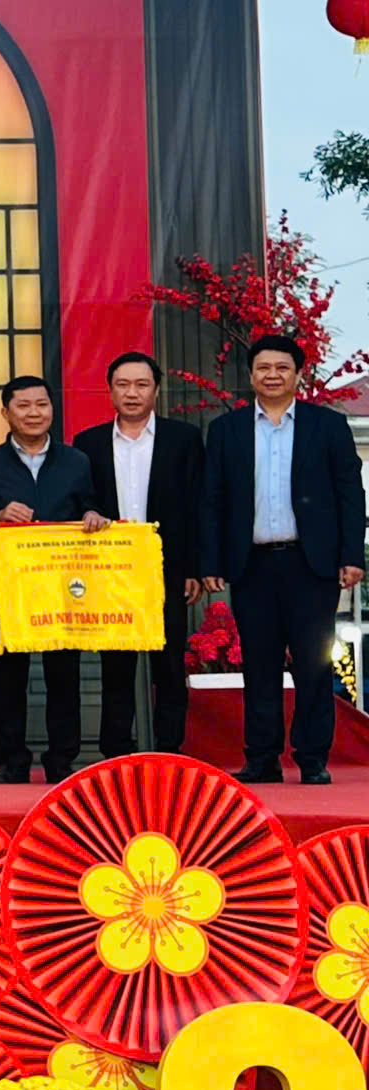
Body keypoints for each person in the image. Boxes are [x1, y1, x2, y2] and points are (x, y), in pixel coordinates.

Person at [200, 333, 367, 786]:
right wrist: (211, 561)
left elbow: (350, 495)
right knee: (259, 665)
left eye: (282, 368)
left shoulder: (327, 426)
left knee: (314, 664)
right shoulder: (227, 430)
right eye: (263, 368)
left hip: (311, 564)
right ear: (251, 375)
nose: (272, 375)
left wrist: (352, 555)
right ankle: (262, 757)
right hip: (252, 564)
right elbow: (212, 500)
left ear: (297, 375)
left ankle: (312, 757)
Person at [0, 376, 111, 784]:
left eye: (42, 405)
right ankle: (13, 762)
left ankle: (61, 763)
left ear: (52, 409)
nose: (34, 413)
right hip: (9, 586)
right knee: (8, 680)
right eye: (24, 406)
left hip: (64, 587)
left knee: (63, 678)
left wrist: (93, 516)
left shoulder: (77, 461)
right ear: (6, 413)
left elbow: (92, 507)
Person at [74, 352, 206, 756]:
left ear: (156, 390)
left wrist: (194, 568)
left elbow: (198, 506)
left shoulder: (183, 439)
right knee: (116, 667)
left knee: (169, 665)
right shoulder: (88, 443)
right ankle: (114, 753)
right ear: (110, 391)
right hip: (110, 571)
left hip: (167, 569)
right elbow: (80, 499)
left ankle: (169, 750)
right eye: (123, 385)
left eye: (141, 384)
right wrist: (89, 512)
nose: (132, 393)